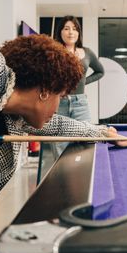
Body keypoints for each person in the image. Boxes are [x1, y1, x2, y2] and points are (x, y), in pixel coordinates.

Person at [0, 23, 127, 228]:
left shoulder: (15, 120)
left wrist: (103, 133)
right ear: (45, 91)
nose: (57, 107)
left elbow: (59, 127)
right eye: (61, 96)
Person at [51, 15, 105, 159]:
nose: (70, 32)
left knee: (86, 143)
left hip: (80, 103)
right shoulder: (54, 52)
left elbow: (100, 72)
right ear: (60, 32)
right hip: (58, 104)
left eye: (74, 29)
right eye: (66, 28)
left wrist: (81, 83)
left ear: (79, 32)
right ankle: (63, 179)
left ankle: (82, 179)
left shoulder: (87, 52)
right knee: (60, 146)